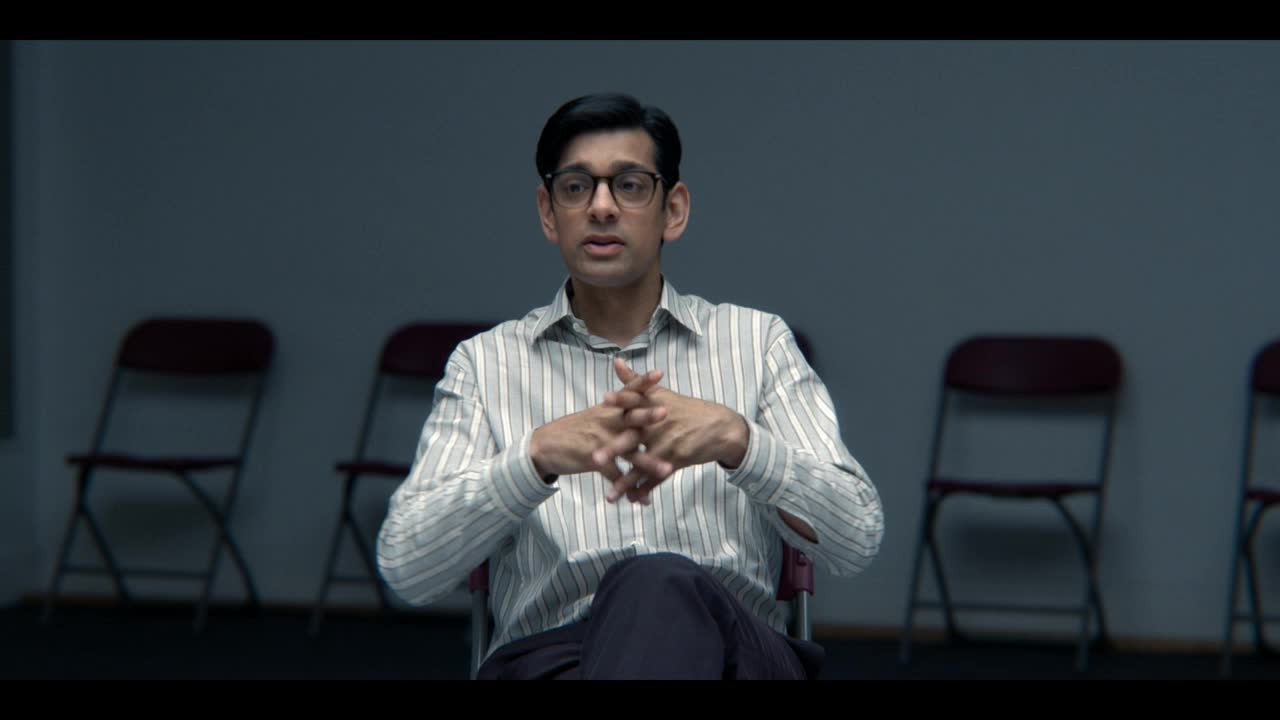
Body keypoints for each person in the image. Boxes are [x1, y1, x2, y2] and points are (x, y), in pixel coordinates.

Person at [376, 93, 883, 680]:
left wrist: (739, 442)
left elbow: (855, 539)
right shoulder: (486, 365)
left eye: (630, 185)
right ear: (548, 212)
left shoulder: (757, 344)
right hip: (556, 657)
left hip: (733, 652)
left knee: (659, 583)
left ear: (674, 210)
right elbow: (407, 569)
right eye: (576, 187)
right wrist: (533, 459)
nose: (601, 207)